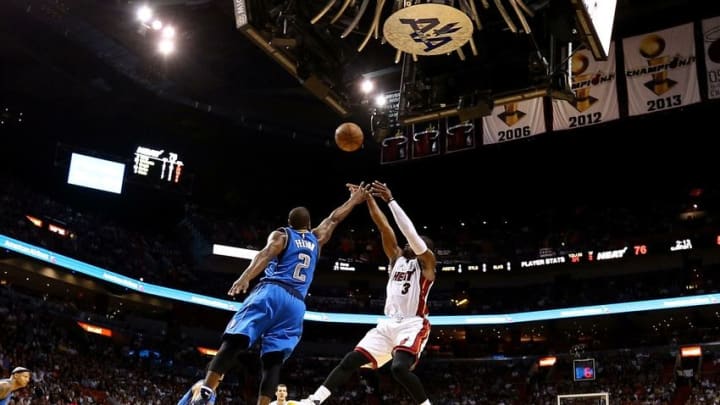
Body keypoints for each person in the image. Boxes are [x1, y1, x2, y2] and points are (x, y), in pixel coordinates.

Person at [178, 183, 368, 405]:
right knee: (273, 361)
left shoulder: (283, 235)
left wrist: (246, 276)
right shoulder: (317, 239)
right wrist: (355, 199)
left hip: (272, 291)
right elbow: (334, 218)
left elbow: (265, 254)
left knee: (235, 339)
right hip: (296, 305)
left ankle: (207, 390)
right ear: (308, 224)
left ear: (289, 224)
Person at [303, 181, 436, 405]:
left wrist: (391, 201)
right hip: (387, 324)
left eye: (414, 242)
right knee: (349, 360)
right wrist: (369, 200)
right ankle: (314, 400)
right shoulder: (395, 258)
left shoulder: (426, 265)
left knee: (399, 369)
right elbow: (384, 227)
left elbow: (410, 233)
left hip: (413, 324)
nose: (407, 242)